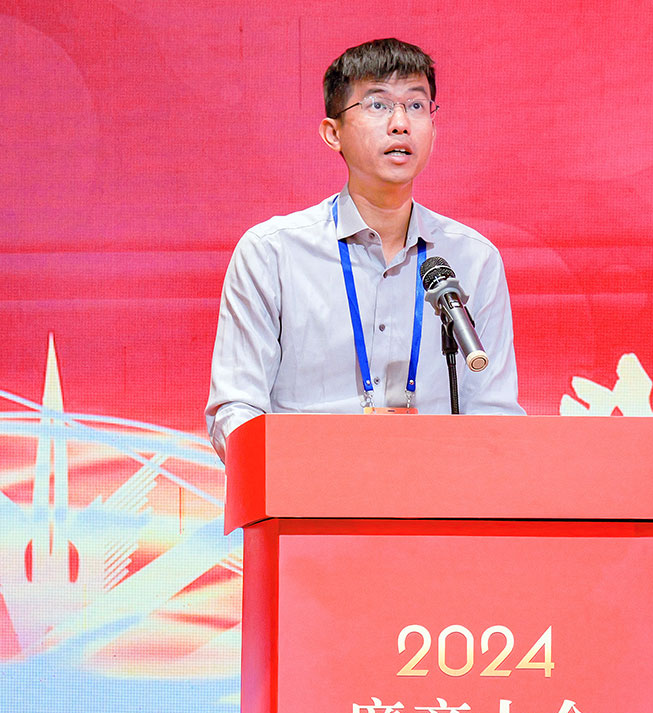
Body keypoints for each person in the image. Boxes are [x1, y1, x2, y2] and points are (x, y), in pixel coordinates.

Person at [205, 38, 522, 461]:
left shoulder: (474, 259)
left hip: (437, 490)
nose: (400, 123)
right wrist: (291, 474)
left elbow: (493, 413)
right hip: (308, 490)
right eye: (377, 105)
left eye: (416, 105)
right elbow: (236, 410)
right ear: (333, 133)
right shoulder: (271, 254)